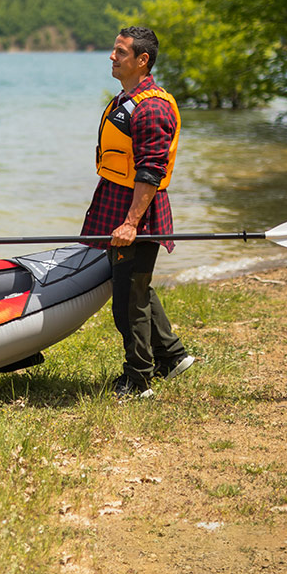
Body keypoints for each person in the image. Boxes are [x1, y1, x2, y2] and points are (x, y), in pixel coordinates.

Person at [82, 26, 194, 399]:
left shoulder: (153, 106)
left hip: (136, 209)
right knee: (134, 285)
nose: (111, 57)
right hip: (116, 199)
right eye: (113, 50)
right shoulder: (129, 99)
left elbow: (151, 169)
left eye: (120, 52)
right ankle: (172, 357)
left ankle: (138, 379)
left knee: (128, 300)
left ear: (142, 60)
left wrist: (131, 223)